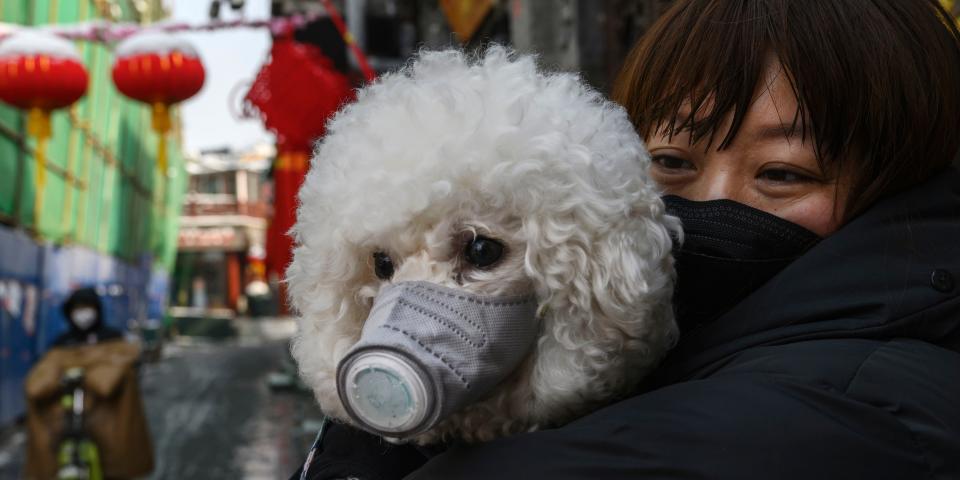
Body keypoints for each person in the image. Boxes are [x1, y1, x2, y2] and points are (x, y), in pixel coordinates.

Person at [293, 0, 960, 478]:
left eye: (782, 173)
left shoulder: (864, 406)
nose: (714, 200)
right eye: (672, 162)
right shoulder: (675, 346)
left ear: (901, 181)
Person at [52, 287, 123, 347]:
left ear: (97, 309)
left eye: (87, 307)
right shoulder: (63, 342)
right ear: (70, 312)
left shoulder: (113, 338)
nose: (83, 312)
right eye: (78, 308)